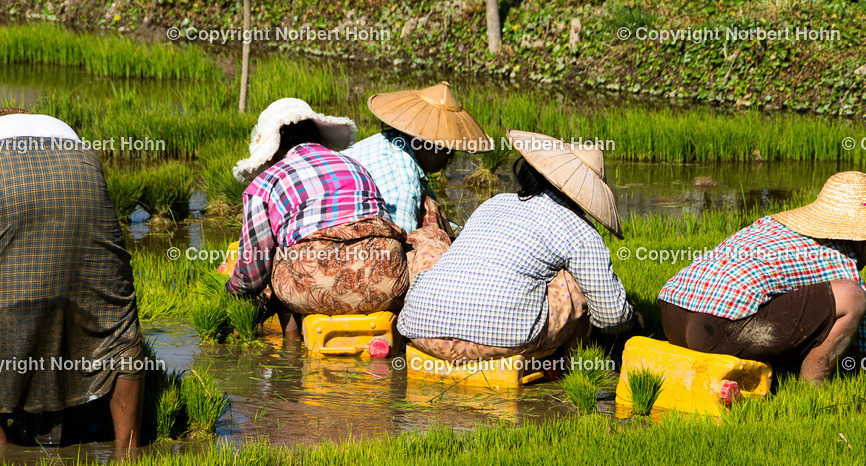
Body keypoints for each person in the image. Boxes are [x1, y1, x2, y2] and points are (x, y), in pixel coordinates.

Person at [0, 109, 144, 448]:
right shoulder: (58, 126)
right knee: (112, 312)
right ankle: (128, 452)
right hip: (79, 168)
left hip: (4, 173)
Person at [657, 171, 866, 383]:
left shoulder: (772, 224)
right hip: (716, 331)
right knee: (851, 296)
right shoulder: (839, 260)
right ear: (859, 235)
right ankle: (814, 386)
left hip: (673, 317)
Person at [397, 130, 641, 362]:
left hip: (421, 330)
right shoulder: (581, 231)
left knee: (432, 244)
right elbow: (612, 317)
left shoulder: (494, 203)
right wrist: (635, 320)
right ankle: (568, 362)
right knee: (573, 282)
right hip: (500, 341)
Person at [227, 98, 448, 337]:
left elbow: (252, 271)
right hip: (385, 285)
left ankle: (291, 350)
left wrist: (232, 291)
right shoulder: (355, 165)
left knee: (274, 252)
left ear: (274, 150)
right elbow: (385, 226)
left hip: (309, 291)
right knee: (428, 238)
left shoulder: (265, 182)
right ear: (319, 136)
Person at [344, 81, 492, 236]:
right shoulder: (404, 187)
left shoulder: (392, 140)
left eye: (452, 150)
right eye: (443, 149)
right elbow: (403, 240)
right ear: (422, 141)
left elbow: (430, 200)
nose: (449, 156)